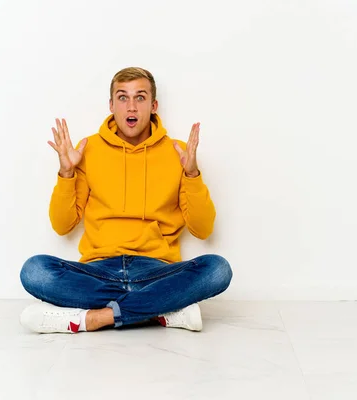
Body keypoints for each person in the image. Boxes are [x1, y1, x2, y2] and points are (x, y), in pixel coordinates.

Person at [19, 67, 232, 334]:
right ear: (111, 105)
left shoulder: (177, 152)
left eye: (140, 97)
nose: (131, 106)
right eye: (123, 97)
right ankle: (160, 310)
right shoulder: (88, 150)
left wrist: (191, 173)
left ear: (154, 106)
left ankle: (94, 319)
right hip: (99, 272)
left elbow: (203, 229)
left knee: (217, 269)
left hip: (155, 272)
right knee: (35, 270)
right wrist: (67, 172)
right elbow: (62, 226)